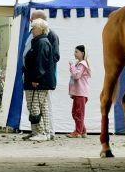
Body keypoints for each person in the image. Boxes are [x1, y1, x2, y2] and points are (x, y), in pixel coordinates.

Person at [22, 10, 60, 140]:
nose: (31, 27)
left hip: (39, 79)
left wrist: (37, 77)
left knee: (36, 105)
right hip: (36, 77)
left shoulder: (45, 40)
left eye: (33, 23)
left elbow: (44, 60)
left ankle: (42, 132)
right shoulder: (37, 39)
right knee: (41, 106)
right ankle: (44, 132)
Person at [67, 44, 91, 138]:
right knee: (76, 112)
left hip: (81, 92)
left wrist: (72, 66)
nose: (75, 53)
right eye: (74, 51)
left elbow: (76, 76)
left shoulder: (82, 64)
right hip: (77, 92)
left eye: (77, 52)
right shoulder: (79, 64)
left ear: (82, 53)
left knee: (78, 112)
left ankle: (78, 132)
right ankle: (83, 130)